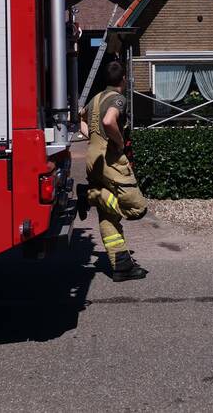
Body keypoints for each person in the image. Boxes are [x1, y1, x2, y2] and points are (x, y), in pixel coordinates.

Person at [78, 60, 149, 282]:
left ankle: (122, 266)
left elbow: (80, 117)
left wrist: (93, 138)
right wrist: (118, 144)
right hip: (111, 161)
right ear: (123, 80)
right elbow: (109, 120)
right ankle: (90, 195)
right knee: (138, 208)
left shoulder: (95, 98)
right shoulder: (118, 99)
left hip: (93, 158)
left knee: (108, 217)